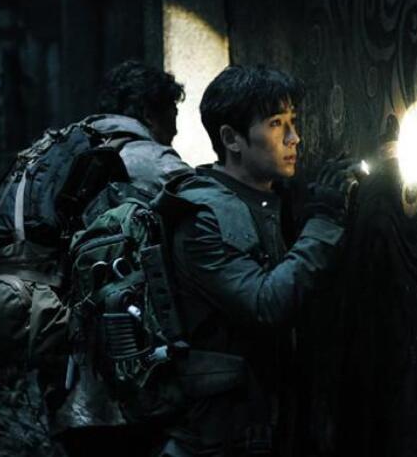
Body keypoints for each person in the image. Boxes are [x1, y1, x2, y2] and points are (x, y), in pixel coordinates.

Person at [154, 65, 360, 456]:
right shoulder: (203, 217)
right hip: (217, 439)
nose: (294, 138)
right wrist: (324, 221)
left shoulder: (270, 199)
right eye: (276, 124)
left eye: (293, 121)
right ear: (231, 139)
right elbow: (265, 304)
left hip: (268, 426)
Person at [31, 60, 192, 456]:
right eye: (171, 115)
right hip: (130, 363)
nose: (175, 129)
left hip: (61, 363)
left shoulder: (55, 155)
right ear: (149, 112)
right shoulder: (155, 163)